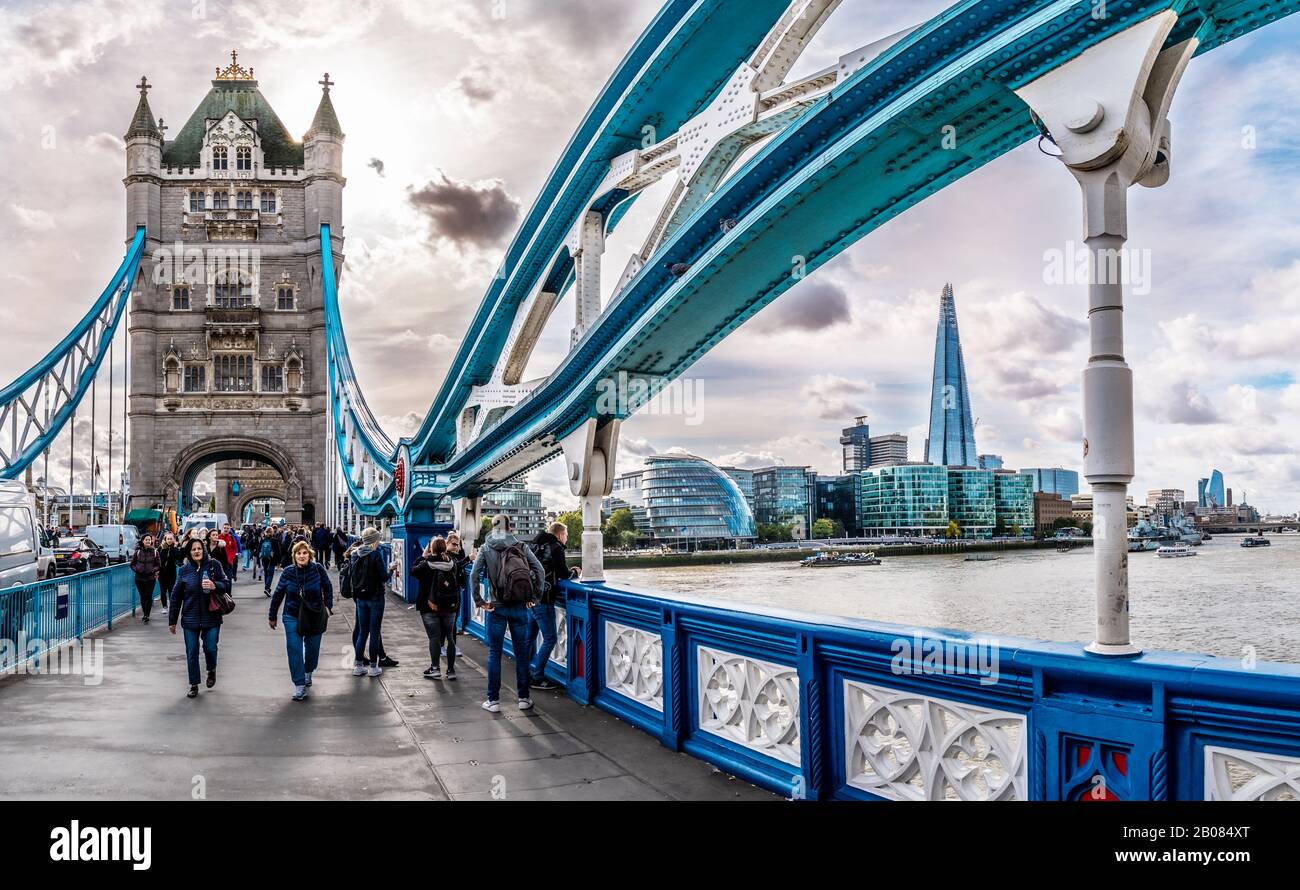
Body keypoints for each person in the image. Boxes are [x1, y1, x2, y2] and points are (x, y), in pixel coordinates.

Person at [470, 514, 544, 713]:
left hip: (496, 606)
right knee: (521, 653)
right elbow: (540, 570)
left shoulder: (486, 548)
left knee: (495, 653)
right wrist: (535, 597)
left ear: (493, 527)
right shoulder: (521, 546)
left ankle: (493, 701)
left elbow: (474, 575)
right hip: (520, 606)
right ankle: (523, 698)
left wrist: (479, 601)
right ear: (510, 526)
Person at [269, 541, 334, 701]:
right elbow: (278, 594)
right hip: (292, 614)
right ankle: (299, 685)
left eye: (305, 553)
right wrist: (272, 615)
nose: (302, 556)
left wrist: (328, 607)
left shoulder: (318, 569)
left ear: (310, 555)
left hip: (314, 614)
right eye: (298, 553)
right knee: (294, 648)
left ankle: (308, 671)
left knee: (312, 649)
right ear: (294, 556)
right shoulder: (288, 572)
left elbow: (328, 587)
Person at [167, 538, 229, 699]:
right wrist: (172, 621)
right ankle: (194, 684)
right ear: (189, 552)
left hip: (212, 616)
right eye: (193, 549)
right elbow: (176, 597)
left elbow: (226, 584)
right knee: (192, 651)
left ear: (203, 550)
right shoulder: (184, 570)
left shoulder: (214, 565)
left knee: (210, 648)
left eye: (199, 548)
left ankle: (211, 669)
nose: (196, 551)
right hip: (190, 618)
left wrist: (215, 585)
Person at [527, 521, 579, 690]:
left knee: (530, 637)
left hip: (530, 597)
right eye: (566, 536)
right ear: (560, 535)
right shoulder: (555, 547)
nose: (566, 539)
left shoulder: (534, 544)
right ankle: (537, 677)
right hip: (544, 598)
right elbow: (564, 573)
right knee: (550, 638)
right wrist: (576, 572)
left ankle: (525, 673)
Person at [411, 537, 459, 680]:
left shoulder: (425, 564)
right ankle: (450, 671)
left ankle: (435, 668)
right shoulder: (452, 563)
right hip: (449, 606)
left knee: (434, 638)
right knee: (450, 637)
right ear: (445, 548)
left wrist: (422, 556)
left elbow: (412, 570)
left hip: (429, 606)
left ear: (431, 548)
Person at [348, 527, 392, 677]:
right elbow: (383, 577)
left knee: (362, 632)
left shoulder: (354, 554)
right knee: (374, 632)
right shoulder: (375, 554)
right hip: (376, 597)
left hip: (360, 597)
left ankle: (358, 665)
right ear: (375, 540)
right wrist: (391, 569)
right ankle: (374, 667)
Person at [129, 533, 162, 624]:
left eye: (149, 539)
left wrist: (152, 570)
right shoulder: (138, 552)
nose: (148, 541)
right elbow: (132, 564)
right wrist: (137, 570)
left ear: (151, 541)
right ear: (143, 541)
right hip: (139, 578)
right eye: (146, 539)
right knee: (143, 596)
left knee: (148, 595)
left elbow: (158, 565)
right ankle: (145, 613)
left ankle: (147, 615)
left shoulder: (155, 552)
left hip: (150, 578)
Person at [446, 532, 473, 636]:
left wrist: (460, 547)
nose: (456, 546)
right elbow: (454, 566)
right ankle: (448, 645)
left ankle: (450, 645)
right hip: (450, 590)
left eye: (457, 544)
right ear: (447, 543)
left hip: (455, 589)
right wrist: (468, 559)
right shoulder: (446, 556)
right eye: (454, 544)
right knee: (451, 618)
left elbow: (459, 560)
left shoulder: (454, 554)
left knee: (453, 618)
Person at [158, 531, 180, 609]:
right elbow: (157, 559)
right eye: (168, 539)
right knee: (163, 591)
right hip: (162, 573)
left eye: (171, 539)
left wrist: (176, 548)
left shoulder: (175, 548)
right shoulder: (161, 548)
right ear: (165, 539)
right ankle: (164, 606)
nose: (169, 540)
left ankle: (172, 605)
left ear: (173, 539)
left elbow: (178, 557)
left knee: (171, 590)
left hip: (171, 572)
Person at [259, 528, 280, 597]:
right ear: (272, 533)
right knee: (270, 574)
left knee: (266, 573)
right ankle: (267, 588)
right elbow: (278, 551)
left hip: (264, 559)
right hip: (272, 559)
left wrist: (259, 560)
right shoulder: (274, 540)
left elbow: (259, 550)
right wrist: (279, 562)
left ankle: (267, 588)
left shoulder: (262, 540)